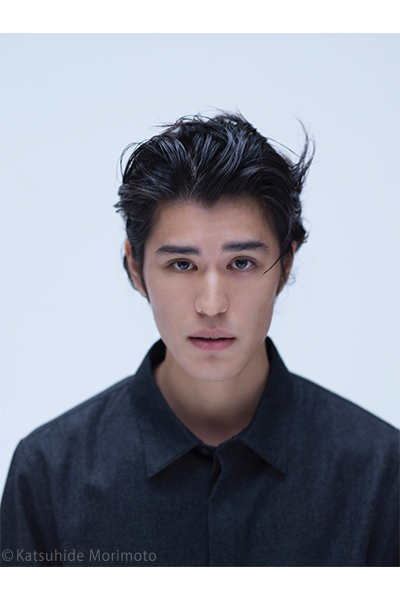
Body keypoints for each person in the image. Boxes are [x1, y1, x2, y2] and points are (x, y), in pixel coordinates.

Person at [1, 113, 398, 567]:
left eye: (242, 263)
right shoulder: (48, 475)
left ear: (285, 264)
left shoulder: (380, 472)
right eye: (182, 265)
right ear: (135, 267)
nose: (211, 305)